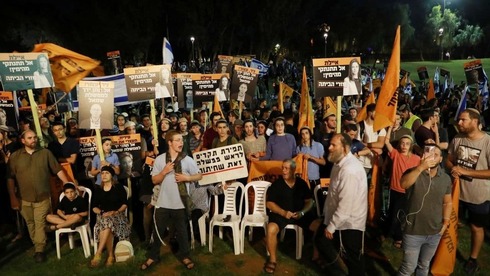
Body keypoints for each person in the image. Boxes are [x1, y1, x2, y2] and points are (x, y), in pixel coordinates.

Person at [141, 130, 202, 271]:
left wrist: (187, 178)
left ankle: (185, 255)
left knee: (182, 231)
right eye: (178, 140)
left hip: (180, 203)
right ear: (169, 142)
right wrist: (164, 171)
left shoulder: (187, 159)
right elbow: (154, 180)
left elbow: (199, 176)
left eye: (182, 140)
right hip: (162, 203)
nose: (181, 143)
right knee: (158, 232)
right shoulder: (160, 159)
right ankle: (153, 256)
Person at [7, 130, 70, 262]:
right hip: (23, 198)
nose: (33, 140)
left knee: (39, 222)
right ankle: (41, 240)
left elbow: (57, 170)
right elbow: (10, 178)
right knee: (31, 223)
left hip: (43, 196)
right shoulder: (15, 157)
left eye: (35, 137)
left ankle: (39, 250)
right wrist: (13, 197)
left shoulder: (45, 153)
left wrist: (68, 183)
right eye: (30, 138)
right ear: (23, 141)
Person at [446, 108, 490, 275]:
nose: (459, 123)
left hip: (478, 196)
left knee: (476, 227)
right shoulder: (458, 138)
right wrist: (453, 169)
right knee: (448, 223)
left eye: (463, 120)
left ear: (475, 121)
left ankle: (472, 259)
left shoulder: (487, 142)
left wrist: (466, 172)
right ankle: (445, 252)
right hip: (456, 193)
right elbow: (449, 160)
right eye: (459, 119)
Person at [315, 133, 367, 275]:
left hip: (349, 223)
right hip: (337, 217)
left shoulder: (349, 170)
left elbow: (346, 205)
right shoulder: (339, 164)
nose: (329, 148)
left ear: (344, 148)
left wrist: (331, 226)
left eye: (333, 145)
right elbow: (334, 193)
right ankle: (337, 269)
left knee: (353, 258)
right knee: (322, 242)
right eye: (329, 144)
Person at [397, 144, 451, 276]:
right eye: (428, 153)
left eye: (435, 155)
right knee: (408, 268)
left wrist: (445, 223)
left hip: (434, 232)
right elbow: (403, 184)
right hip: (413, 231)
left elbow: (447, 203)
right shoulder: (413, 172)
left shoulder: (445, 179)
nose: (431, 157)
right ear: (422, 156)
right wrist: (421, 167)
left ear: (440, 159)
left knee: (424, 265)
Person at [264, 159, 314, 274]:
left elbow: (310, 201)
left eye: (286, 168)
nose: (284, 171)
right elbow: (269, 203)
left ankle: (316, 256)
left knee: (319, 225)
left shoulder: (301, 183)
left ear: (293, 170)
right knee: (271, 229)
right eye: (283, 168)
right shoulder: (277, 184)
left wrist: (302, 212)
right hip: (282, 214)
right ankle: (272, 260)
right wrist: (283, 212)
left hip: (299, 214)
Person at [384, 130, 420, 248]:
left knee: (400, 214)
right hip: (394, 189)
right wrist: (390, 128)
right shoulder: (395, 154)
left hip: (407, 191)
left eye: (407, 143)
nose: (404, 146)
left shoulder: (416, 159)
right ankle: (389, 232)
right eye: (402, 143)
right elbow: (386, 142)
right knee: (392, 211)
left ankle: (398, 237)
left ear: (411, 146)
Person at [91, 166, 131, 267]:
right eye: (102, 173)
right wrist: (101, 212)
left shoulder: (118, 187)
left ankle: (99, 253)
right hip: (103, 216)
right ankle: (110, 256)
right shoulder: (98, 189)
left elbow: (125, 204)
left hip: (117, 215)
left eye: (106, 173)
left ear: (111, 175)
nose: (104, 175)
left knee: (107, 223)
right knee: (107, 223)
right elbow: (94, 207)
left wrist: (115, 212)